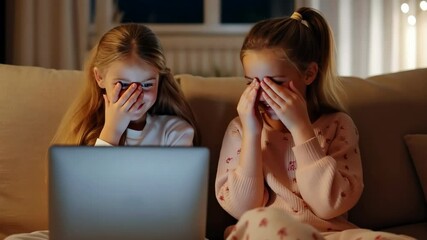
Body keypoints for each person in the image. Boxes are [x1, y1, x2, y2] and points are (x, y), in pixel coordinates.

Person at [215, 7, 415, 240]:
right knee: (264, 221)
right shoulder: (240, 128)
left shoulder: (338, 125)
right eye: (252, 83)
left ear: (309, 74)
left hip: (328, 235)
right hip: (264, 233)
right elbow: (243, 210)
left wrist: (302, 130)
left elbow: (330, 205)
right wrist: (252, 134)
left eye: (275, 82)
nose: (262, 94)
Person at [5, 23, 200, 240]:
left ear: (159, 79)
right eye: (123, 84)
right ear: (100, 78)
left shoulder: (175, 131)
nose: (134, 96)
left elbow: (178, 208)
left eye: (146, 85)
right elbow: (80, 209)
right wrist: (112, 131)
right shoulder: (85, 128)